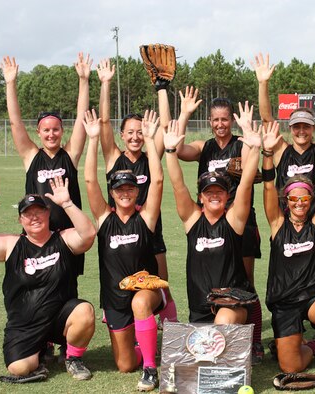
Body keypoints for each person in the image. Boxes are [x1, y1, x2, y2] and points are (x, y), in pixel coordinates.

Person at [0, 176, 97, 383]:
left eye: (39, 212)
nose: (34, 217)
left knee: (84, 311)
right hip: (25, 324)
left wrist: (67, 204)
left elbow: (88, 234)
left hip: (60, 319)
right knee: (20, 368)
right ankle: (41, 350)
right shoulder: (12, 245)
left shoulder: (63, 239)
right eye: (27, 214)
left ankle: (73, 358)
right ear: (20, 220)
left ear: (48, 213)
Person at [175, 91, 264, 362]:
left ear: (231, 122)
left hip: (238, 220)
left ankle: (254, 340)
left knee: (244, 283)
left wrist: (250, 134)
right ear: (210, 121)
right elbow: (178, 149)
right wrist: (185, 114)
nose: (220, 124)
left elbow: (250, 164)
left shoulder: (239, 144)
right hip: (209, 220)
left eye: (225, 119)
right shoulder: (205, 147)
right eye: (215, 119)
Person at [84, 108, 166, 392]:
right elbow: (90, 181)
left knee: (140, 303)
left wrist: (153, 141)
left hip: (146, 289)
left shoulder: (146, 218)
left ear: (135, 191)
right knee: (123, 364)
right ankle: (148, 345)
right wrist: (93, 139)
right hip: (114, 298)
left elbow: (156, 180)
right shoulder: (104, 219)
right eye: (120, 189)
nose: (125, 192)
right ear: (113, 192)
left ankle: (151, 369)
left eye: (130, 188)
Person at [262, 121, 315, 394]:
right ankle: (314, 345)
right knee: (291, 367)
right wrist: (266, 154)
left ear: (311, 202)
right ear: (286, 202)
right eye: (294, 200)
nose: (300, 204)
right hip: (285, 303)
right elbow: (266, 189)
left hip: (312, 299)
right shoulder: (277, 224)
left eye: (305, 200)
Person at [253, 50, 315, 291]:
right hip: (288, 225)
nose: (301, 131)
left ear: (313, 128)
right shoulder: (283, 151)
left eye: (306, 126)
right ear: (290, 128)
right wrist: (263, 83)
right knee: (287, 274)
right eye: (296, 126)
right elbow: (266, 119)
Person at [95, 58, 178, 327]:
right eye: (129, 132)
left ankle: (171, 327)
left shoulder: (151, 155)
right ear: (122, 135)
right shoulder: (113, 159)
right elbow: (104, 121)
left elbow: (166, 130)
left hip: (150, 232)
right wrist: (105, 84)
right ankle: (118, 313)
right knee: (118, 283)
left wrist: (162, 89)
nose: (135, 137)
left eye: (139, 132)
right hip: (119, 236)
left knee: (160, 285)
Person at [1, 53, 91, 277]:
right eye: (46, 130)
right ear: (38, 132)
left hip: (67, 237)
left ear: (62, 131)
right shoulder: (32, 156)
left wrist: (83, 80)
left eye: (56, 129)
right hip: (37, 236)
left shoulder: (69, 155)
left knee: (67, 286)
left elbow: (81, 117)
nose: (51, 134)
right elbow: (15, 122)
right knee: (37, 282)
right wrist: (10, 83)